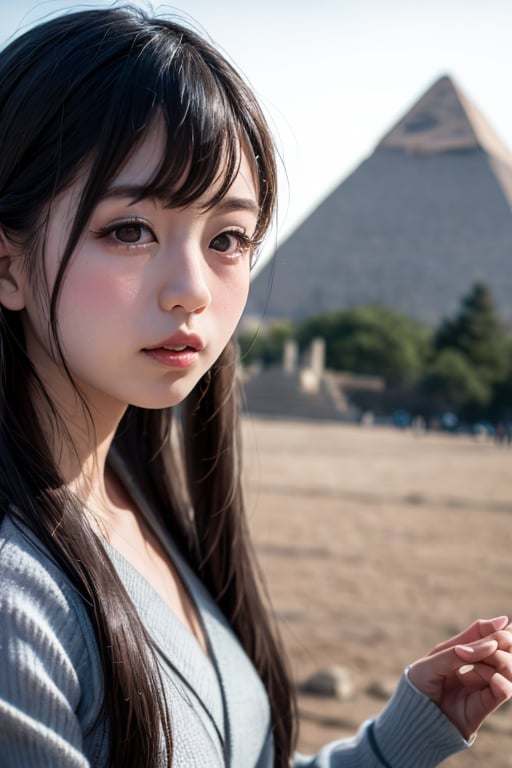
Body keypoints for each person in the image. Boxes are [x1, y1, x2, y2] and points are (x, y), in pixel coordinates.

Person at [0, 6, 511, 768]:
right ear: (7, 263)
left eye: (228, 239)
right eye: (129, 228)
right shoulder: (15, 608)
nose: (192, 290)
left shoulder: (136, 503)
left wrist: (396, 741)